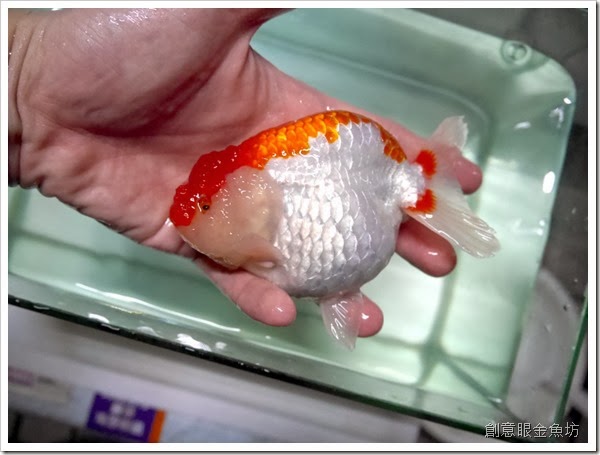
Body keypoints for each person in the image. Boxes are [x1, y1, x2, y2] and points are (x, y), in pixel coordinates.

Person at [8, 8, 484, 337]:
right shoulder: (253, 207)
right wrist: (22, 83)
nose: (189, 215)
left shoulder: (276, 188)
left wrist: (25, 81)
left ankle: (430, 180)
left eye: (207, 206)